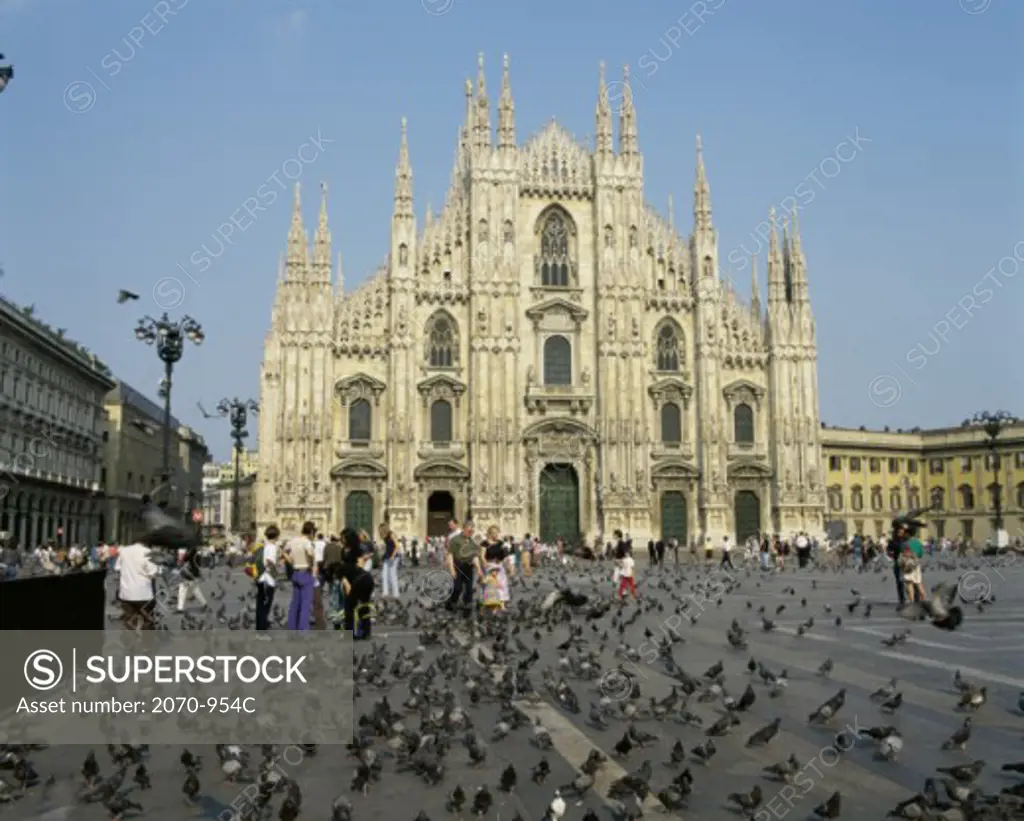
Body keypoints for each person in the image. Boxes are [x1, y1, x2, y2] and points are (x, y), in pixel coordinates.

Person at [330, 528, 375, 639]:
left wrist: (351, 581)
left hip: (361, 579)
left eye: (343, 537)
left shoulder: (357, 549)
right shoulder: (344, 550)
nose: (341, 539)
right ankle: (358, 632)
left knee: (355, 607)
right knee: (353, 607)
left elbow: (359, 564)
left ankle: (360, 633)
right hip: (355, 579)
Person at [117, 537, 160, 630]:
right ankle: (147, 643)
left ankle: (129, 643)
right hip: (144, 593)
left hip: (126, 593)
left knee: (129, 621)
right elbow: (153, 572)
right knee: (147, 621)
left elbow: (117, 567)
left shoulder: (124, 551)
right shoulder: (148, 552)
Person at [284, 522, 316, 630]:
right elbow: (310, 554)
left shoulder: (293, 541)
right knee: (305, 604)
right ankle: (303, 630)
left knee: (295, 603)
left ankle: (292, 627)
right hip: (305, 573)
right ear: (311, 532)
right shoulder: (307, 542)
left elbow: (284, 552)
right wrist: (311, 563)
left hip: (295, 573)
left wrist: (291, 561)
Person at [446, 520, 481, 616]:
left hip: (469, 566)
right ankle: (451, 602)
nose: (471, 532)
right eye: (469, 531)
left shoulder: (473, 542)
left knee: (469, 588)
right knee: (458, 587)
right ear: (464, 529)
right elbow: (450, 555)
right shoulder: (455, 540)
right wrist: (452, 569)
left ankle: (467, 607)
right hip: (458, 565)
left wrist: (479, 569)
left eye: (472, 531)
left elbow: (475, 556)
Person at [255, 525, 280, 631]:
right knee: (266, 605)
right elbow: (269, 561)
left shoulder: (265, 546)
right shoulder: (273, 547)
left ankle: (260, 626)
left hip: (261, 578)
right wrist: (276, 569)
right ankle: (262, 628)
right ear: (276, 536)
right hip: (268, 579)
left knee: (260, 604)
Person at [482, 525, 509, 605]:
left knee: (502, 584)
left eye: (498, 533)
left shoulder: (500, 543)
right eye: (495, 533)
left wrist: (508, 564)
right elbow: (482, 555)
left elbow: (505, 554)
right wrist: (485, 563)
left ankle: (502, 603)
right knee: (491, 584)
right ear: (490, 534)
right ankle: (490, 602)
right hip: (490, 565)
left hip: (499, 565)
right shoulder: (485, 543)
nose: (497, 534)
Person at [176, 543, 207, 612]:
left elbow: (184, 561)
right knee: (194, 590)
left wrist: (182, 558)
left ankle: (180, 608)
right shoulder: (195, 553)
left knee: (184, 590)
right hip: (191, 574)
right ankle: (204, 603)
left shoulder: (191, 553)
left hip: (189, 574)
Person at [380, 523, 400, 599]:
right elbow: (387, 547)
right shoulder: (384, 536)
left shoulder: (391, 534)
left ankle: (396, 593)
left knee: (392, 575)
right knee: (384, 575)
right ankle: (385, 592)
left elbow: (397, 546)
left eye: (381, 530)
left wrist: (392, 556)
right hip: (387, 556)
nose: (380, 532)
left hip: (394, 557)